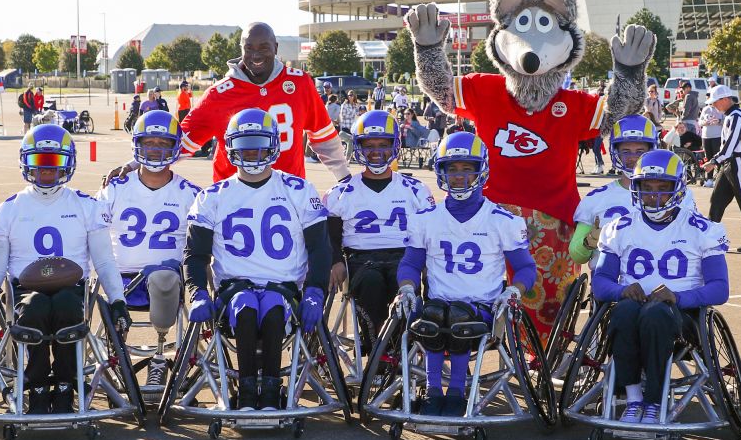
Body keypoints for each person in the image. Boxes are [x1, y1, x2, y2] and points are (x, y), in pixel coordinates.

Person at [0, 125, 128, 414]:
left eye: (54, 161)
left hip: (72, 287)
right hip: (25, 289)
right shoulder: (8, 210)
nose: (45, 169)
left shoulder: (86, 206)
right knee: (34, 307)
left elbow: (104, 262)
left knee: (67, 304)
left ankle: (66, 382)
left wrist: (118, 301)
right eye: (38, 161)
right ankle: (37, 381)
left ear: (68, 162)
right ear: (25, 162)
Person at [183, 109, 330, 410]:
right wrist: (197, 292)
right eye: (244, 145)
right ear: (230, 147)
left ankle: (272, 390)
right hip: (234, 289)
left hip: (285, 287)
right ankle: (248, 391)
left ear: (274, 145)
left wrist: (315, 290)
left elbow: (320, 248)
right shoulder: (212, 196)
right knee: (246, 307)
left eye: (258, 145)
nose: (251, 152)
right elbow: (195, 255)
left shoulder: (299, 190)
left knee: (274, 308)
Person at [394, 132, 536, 416]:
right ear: (441, 171)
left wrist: (513, 291)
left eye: (467, 168)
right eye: (452, 168)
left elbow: (525, 268)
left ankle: (456, 392)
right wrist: (407, 287)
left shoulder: (502, 220)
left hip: (483, 308)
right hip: (437, 305)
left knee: (458, 318)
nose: (459, 176)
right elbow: (410, 263)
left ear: (480, 170)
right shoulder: (426, 219)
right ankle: (434, 391)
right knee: (433, 316)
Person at [593, 150, 729, 423]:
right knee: (623, 311)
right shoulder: (619, 228)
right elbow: (600, 283)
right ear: (636, 189)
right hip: (632, 313)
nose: (654, 196)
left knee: (655, 313)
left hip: (682, 317)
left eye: (663, 188)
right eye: (647, 188)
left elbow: (720, 289)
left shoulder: (702, 229)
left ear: (678, 189)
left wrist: (677, 298)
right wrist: (622, 290)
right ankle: (633, 398)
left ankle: (653, 401)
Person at [118, 23, 348, 183]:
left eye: (264, 47)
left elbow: (323, 137)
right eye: (249, 48)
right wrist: (133, 166)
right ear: (241, 49)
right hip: (234, 196)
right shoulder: (219, 94)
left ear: (276, 48)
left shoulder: (299, 83)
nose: (256, 55)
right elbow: (179, 142)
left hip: (289, 194)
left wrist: (344, 176)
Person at [97, 111, 200, 386]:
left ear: (175, 146)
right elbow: (92, 233)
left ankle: (159, 358)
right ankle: (114, 358)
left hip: (166, 281)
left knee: (164, 276)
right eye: (149, 142)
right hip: (120, 280)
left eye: (163, 143)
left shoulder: (190, 193)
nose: (155, 150)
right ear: (136, 145)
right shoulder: (115, 188)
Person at [324, 111, 435, 352]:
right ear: (358, 146)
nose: (376, 151)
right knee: (371, 283)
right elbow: (331, 236)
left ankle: (399, 351)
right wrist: (335, 261)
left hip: (405, 257)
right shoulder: (341, 192)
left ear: (395, 145)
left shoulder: (415, 189)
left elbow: (430, 233)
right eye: (369, 144)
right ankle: (378, 352)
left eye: (384, 144)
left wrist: (428, 265)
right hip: (361, 259)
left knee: (403, 284)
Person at [569, 115, 694, 265]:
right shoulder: (596, 198)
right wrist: (588, 243)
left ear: (652, 149)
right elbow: (576, 255)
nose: (633, 157)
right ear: (616, 151)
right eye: (626, 151)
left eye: (640, 150)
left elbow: (695, 243)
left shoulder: (678, 194)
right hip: (610, 283)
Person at [703, 86, 741, 252]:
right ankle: (709, 239)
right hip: (729, 163)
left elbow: (730, 145)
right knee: (717, 200)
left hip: (737, 162)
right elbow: (727, 146)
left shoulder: (736, 116)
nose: (714, 106)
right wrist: (716, 160)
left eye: (715, 102)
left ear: (724, 100)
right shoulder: (730, 116)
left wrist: (714, 161)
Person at [696, 99, 722, 187]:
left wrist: (718, 121)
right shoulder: (705, 109)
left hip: (717, 136)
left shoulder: (720, 109)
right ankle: (709, 179)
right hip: (706, 136)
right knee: (708, 157)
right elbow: (700, 122)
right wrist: (705, 122)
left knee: (717, 157)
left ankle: (718, 178)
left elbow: (725, 121)